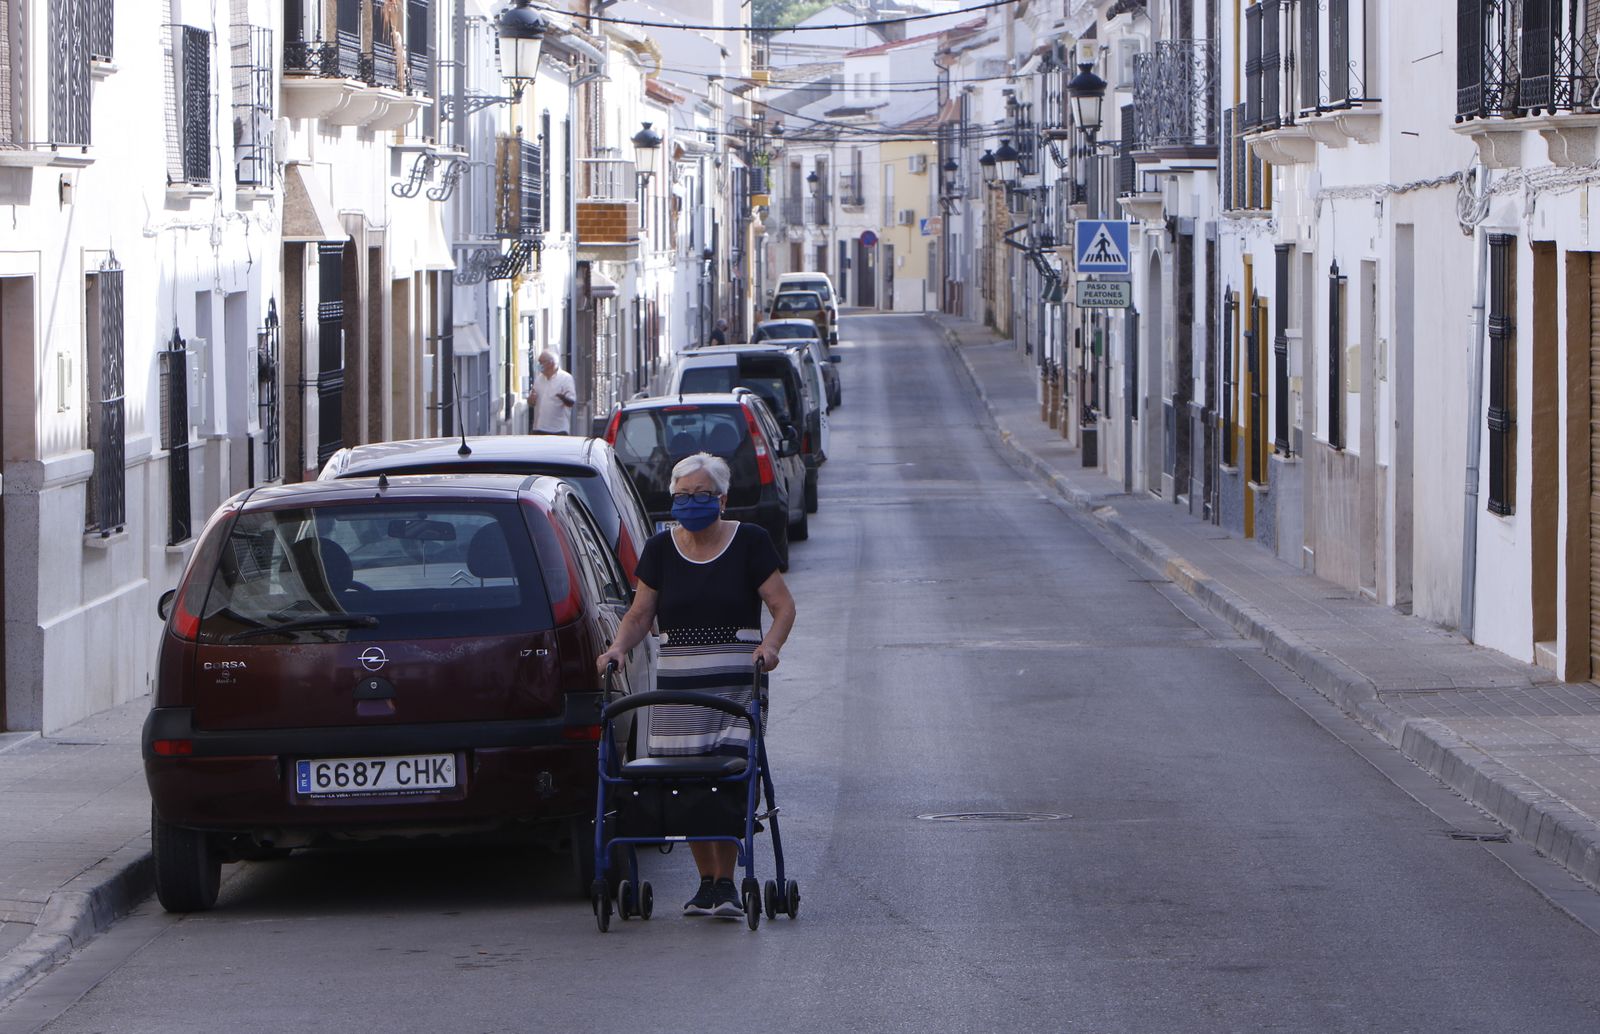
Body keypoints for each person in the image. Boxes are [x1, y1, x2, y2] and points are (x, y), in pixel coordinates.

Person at [595, 452, 796, 919]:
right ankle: (706, 882)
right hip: (679, 691)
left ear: (722, 499)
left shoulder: (750, 542)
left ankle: (726, 882)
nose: (689, 503)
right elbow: (641, 614)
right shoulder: (660, 549)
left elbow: (783, 606)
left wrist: (771, 646)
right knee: (684, 784)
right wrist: (618, 648)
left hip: (735, 689)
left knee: (723, 781)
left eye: (700, 494)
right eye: (682, 495)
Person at [528, 351, 577, 434]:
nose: (538, 365)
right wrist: (531, 400)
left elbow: (571, 402)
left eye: (541, 362)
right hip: (539, 428)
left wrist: (563, 398)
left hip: (558, 430)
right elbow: (531, 402)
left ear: (550, 363)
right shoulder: (539, 379)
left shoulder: (566, 378)